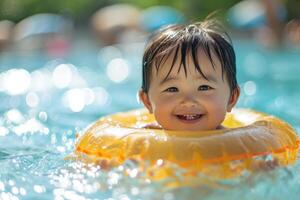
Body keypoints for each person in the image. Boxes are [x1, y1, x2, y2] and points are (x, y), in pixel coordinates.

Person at [138, 19, 240, 131]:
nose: (188, 101)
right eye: (172, 89)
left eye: (204, 87)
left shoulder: (243, 146)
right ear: (147, 101)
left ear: (231, 98)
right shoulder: (137, 142)